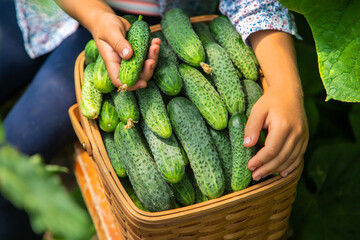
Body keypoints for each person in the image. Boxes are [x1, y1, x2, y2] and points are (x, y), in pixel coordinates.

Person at [0, 0, 308, 238]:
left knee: (11, 158)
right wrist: (96, 16)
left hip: (156, 33)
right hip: (48, 12)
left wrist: (285, 87)